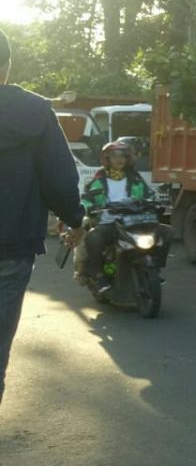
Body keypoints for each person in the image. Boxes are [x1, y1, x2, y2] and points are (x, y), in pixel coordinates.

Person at [0, 28, 87, 406]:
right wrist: (75, 218)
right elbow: (60, 177)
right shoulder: (34, 111)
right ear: (5, 67)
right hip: (11, 249)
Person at [77, 140, 157, 292]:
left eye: (123, 156)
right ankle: (99, 276)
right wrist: (90, 208)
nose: (119, 159)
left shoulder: (135, 177)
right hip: (110, 224)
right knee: (93, 238)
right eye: (114, 156)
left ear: (128, 159)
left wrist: (154, 202)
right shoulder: (99, 178)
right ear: (107, 159)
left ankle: (153, 267)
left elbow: (150, 195)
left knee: (165, 233)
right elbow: (86, 199)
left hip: (135, 222)